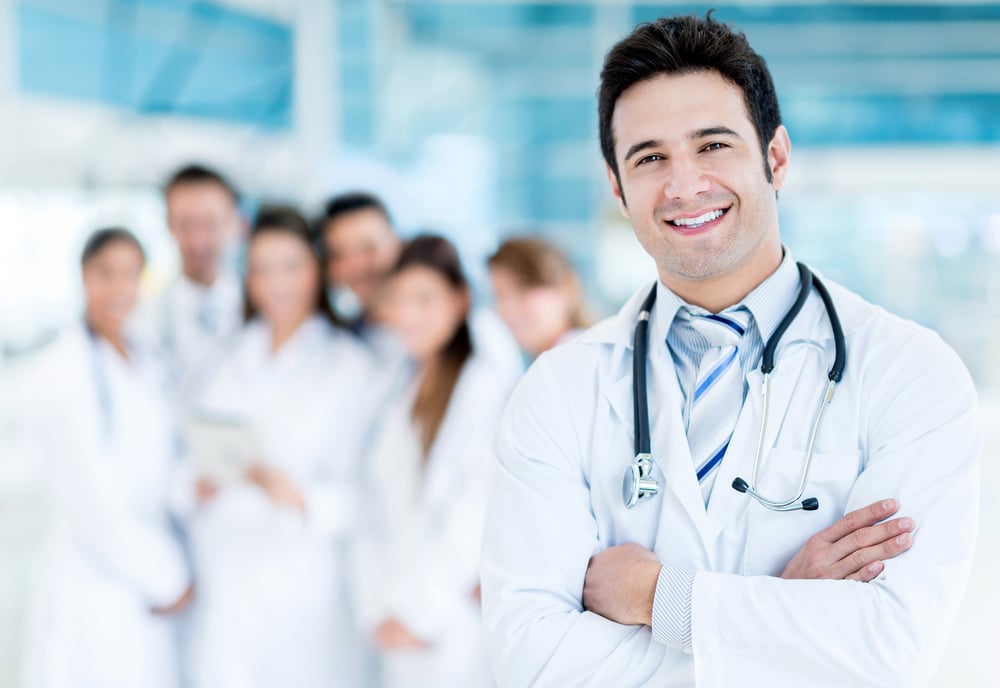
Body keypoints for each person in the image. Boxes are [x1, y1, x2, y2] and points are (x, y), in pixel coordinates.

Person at [481, 14, 980, 688]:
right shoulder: (559, 388)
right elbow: (530, 661)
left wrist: (659, 599)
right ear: (617, 188)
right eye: (650, 157)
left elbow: (892, 649)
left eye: (712, 145)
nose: (684, 185)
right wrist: (785, 607)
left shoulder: (908, 372)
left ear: (775, 157)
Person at [183, 206, 375, 688]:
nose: (277, 283)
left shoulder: (350, 366)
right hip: (227, 577)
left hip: (304, 584)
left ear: (317, 269)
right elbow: (185, 454)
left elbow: (371, 492)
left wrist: (303, 498)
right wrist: (196, 484)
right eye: (262, 269)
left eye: (291, 266)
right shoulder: (226, 358)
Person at [21, 228, 192, 688]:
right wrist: (169, 579)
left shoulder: (145, 358)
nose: (120, 288)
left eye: (131, 275)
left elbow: (158, 461)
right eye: (106, 274)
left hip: (147, 582)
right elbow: (93, 506)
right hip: (95, 586)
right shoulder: (60, 375)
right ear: (83, 277)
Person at [354, 235, 520, 688]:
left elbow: (476, 507)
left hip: (447, 625)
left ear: (460, 301)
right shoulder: (400, 384)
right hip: (397, 616)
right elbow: (376, 504)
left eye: (424, 299)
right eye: (399, 299)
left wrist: (420, 611)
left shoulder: (482, 384)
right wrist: (380, 607)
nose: (408, 315)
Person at [319, 191, 523, 377]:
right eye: (338, 254)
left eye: (367, 247)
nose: (355, 265)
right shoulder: (346, 339)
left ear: (397, 244)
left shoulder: (473, 334)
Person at [131, 164, 243, 398]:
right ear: (168, 225)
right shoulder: (143, 315)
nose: (197, 241)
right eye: (185, 225)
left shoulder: (260, 311)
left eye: (210, 224)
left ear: (234, 223)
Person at [487, 236, 591, 358]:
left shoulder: (578, 359)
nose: (505, 309)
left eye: (522, 289)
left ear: (567, 287)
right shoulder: (547, 363)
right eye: (499, 295)